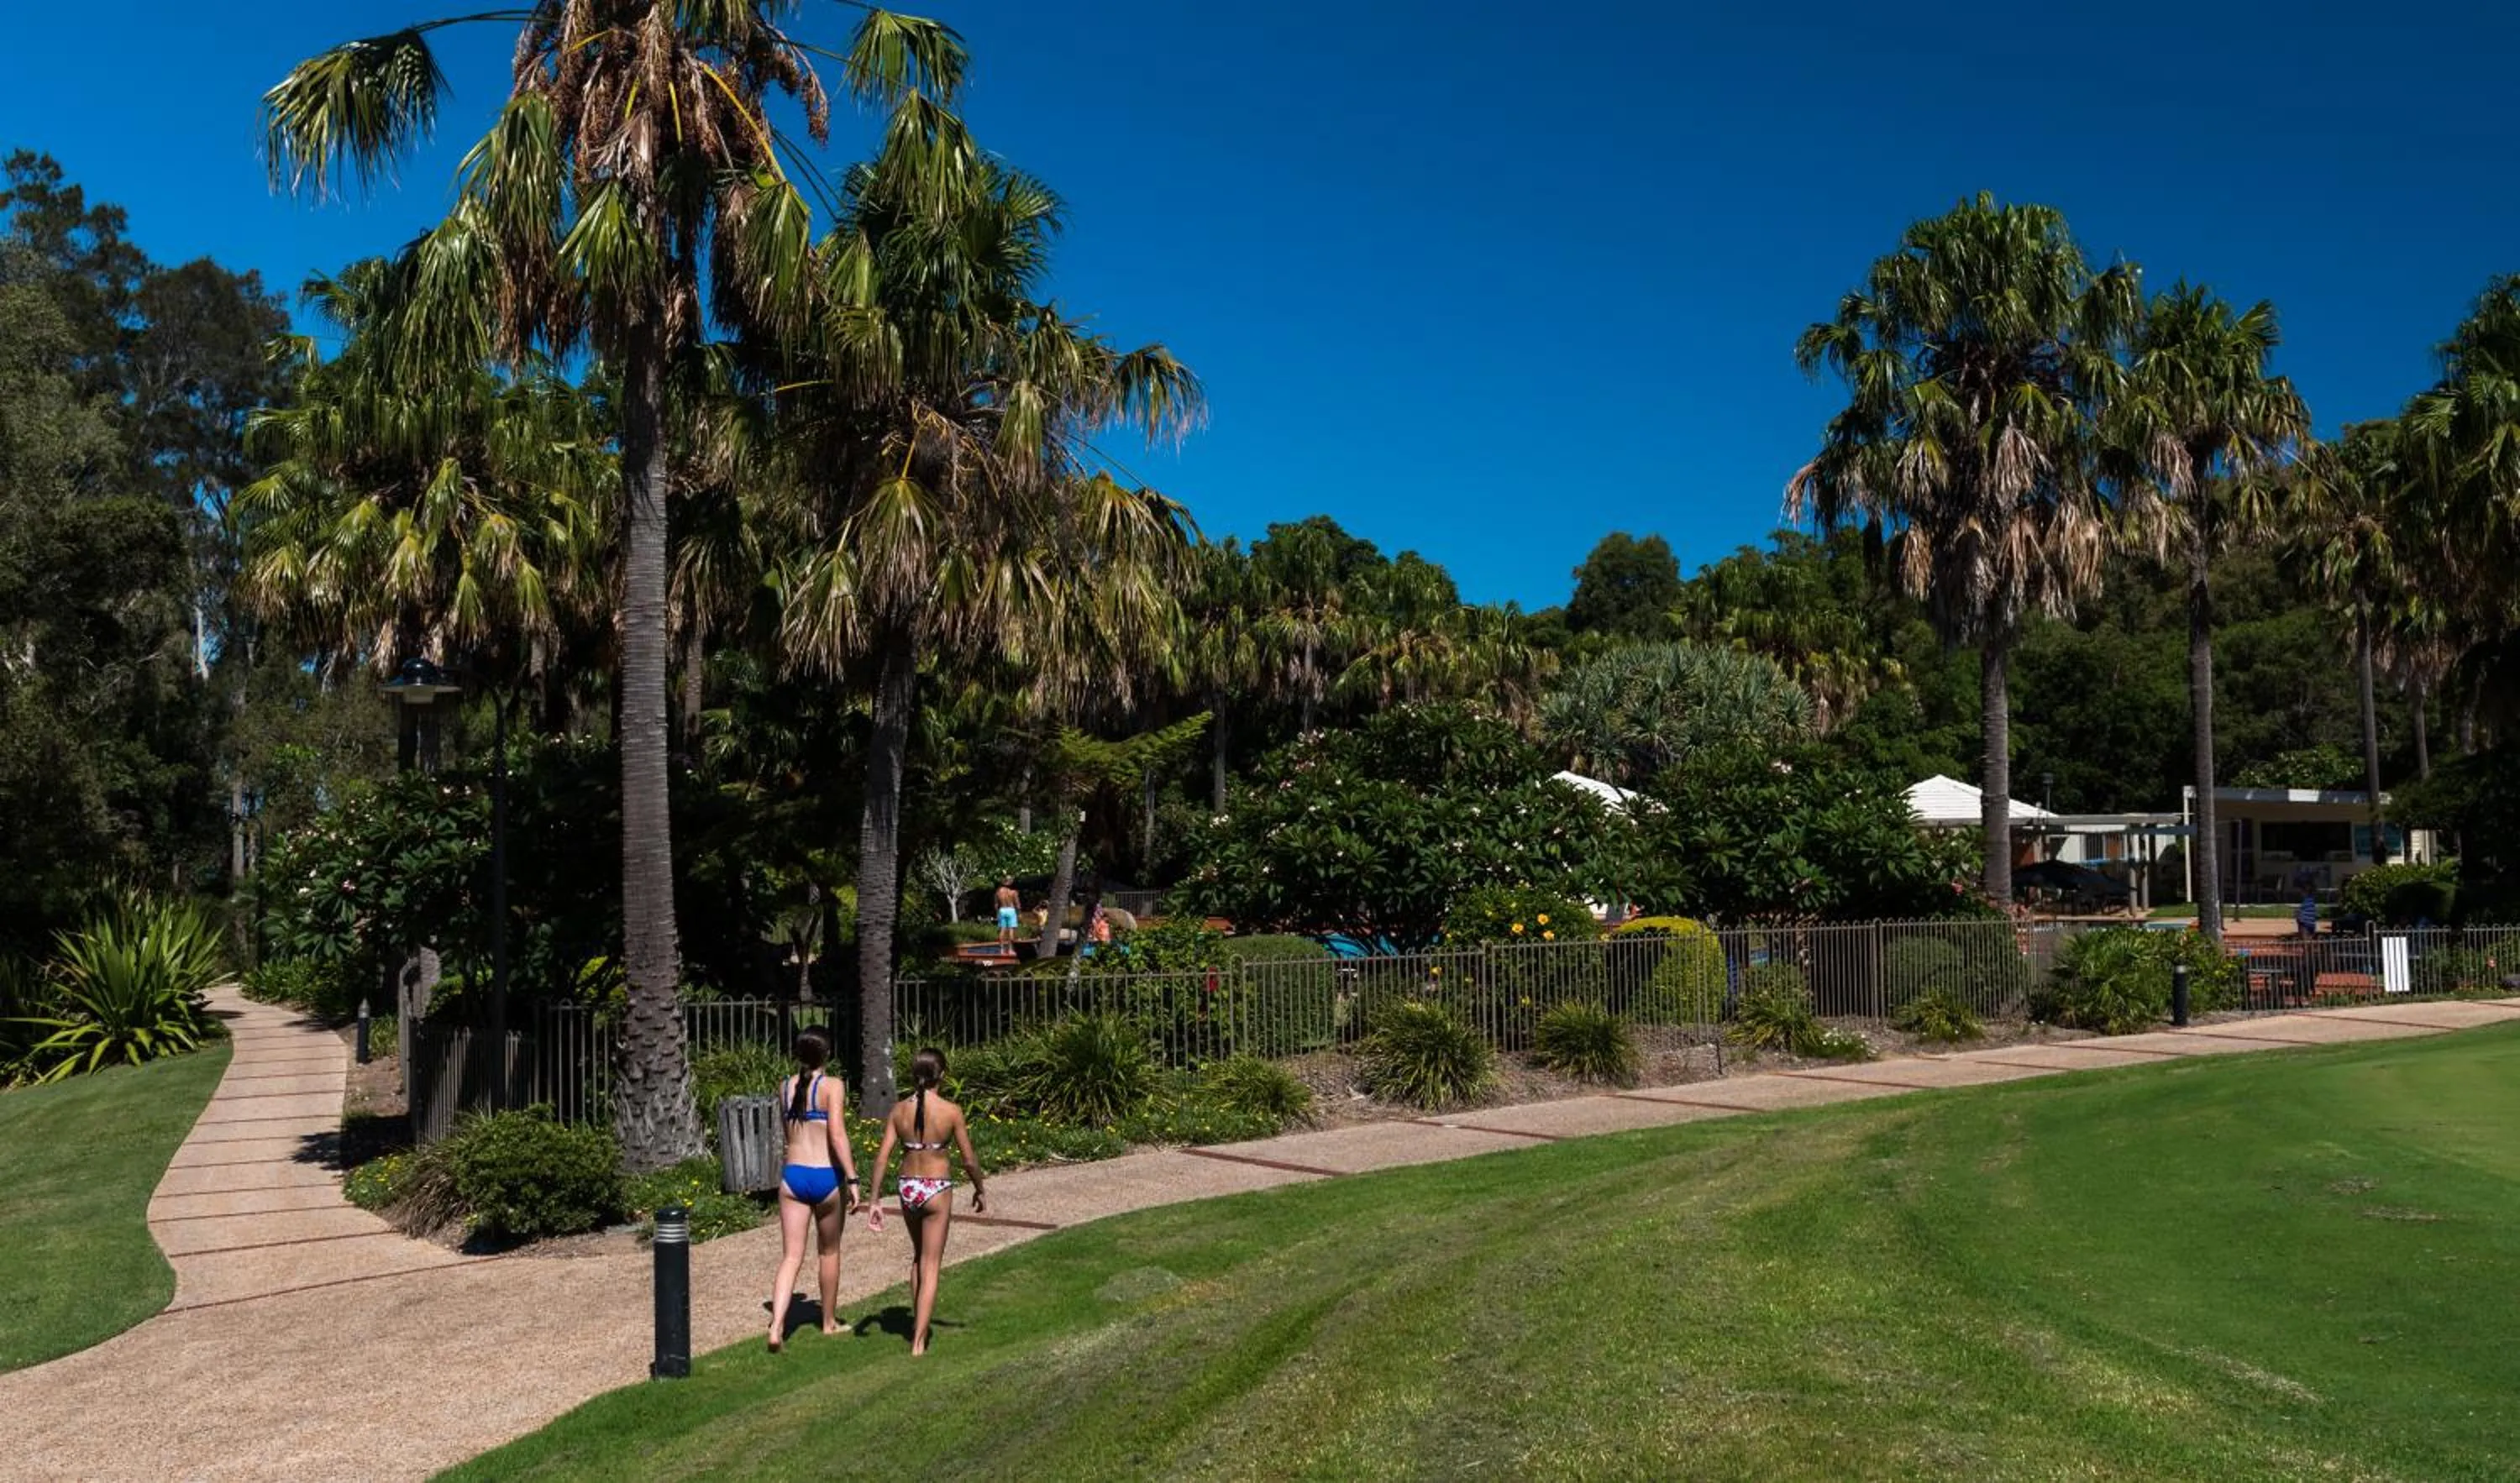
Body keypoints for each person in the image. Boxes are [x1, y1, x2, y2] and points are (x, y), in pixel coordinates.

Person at [865, 1048, 988, 1356]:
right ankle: (919, 1342)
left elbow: (882, 1158)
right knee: (931, 1265)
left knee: (919, 1258)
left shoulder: (899, 1110)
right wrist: (980, 1188)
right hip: (937, 1186)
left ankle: (915, 1326)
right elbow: (969, 1160)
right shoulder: (951, 1111)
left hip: (908, 1186)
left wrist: (875, 1199)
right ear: (942, 1075)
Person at [767, 1032, 859, 1353]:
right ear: (827, 1054)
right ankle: (828, 1322)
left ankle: (776, 1326)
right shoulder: (833, 1086)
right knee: (828, 1252)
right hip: (825, 1176)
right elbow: (837, 1135)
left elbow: (788, 1133)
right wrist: (853, 1178)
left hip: (793, 1176)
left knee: (791, 1256)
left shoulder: (784, 1087)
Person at [995, 876, 1021, 949]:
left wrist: (997, 913)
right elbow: (1018, 904)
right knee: (1011, 930)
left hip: (1002, 910)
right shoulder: (1013, 892)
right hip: (1011, 910)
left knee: (1002, 929)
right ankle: (1010, 949)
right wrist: (1019, 913)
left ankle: (1002, 949)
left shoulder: (998, 892)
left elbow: (996, 905)